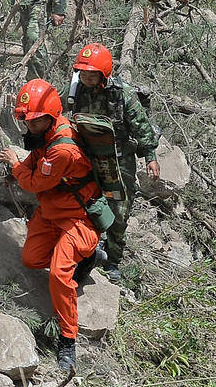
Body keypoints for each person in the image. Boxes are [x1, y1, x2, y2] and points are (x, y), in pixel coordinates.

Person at [0, 79, 99, 374]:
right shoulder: (48, 134)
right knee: (31, 259)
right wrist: (19, 168)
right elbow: (36, 159)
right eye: (26, 120)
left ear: (50, 116)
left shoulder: (63, 150)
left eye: (34, 121)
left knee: (58, 274)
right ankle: (86, 256)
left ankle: (68, 340)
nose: (28, 126)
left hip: (77, 217)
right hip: (52, 210)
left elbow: (35, 183)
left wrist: (16, 167)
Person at [67, 42, 160, 267]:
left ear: (104, 73)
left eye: (92, 74)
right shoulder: (76, 90)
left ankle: (113, 262)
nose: (87, 78)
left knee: (119, 210)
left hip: (119, 160)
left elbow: (141, 126)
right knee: (83, 203)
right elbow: (58, 108)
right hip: (88, 155)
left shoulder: (123, 94)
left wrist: (151, 157)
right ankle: (86, 250)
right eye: (83, 73)